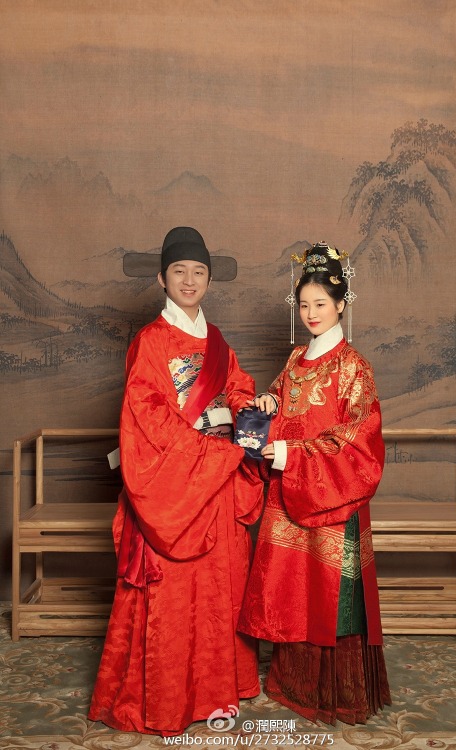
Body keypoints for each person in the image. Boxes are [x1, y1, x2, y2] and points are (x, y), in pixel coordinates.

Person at [89, 227, 263, 736]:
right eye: (180, 271)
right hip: (174, 487)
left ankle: (213, 693)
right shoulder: (149, 342)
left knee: (218, 590)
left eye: (199, 272)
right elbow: (148, 417)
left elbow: (239, 389)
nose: (189, 281)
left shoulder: (217, 342)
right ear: (163, 279)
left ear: (209, 280)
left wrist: (249, 414)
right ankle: (166, 701)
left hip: (214, 483)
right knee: (172, 599)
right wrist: (214, 438)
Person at [238, 242, 391, 726]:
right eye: (303, 305)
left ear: (341, 303)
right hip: (291, 495)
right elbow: (284, 406)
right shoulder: (295, 359)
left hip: (332, 501)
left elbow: (357, 442)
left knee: (331, 596)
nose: (311, 314)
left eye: (320, 304)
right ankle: (292, 681)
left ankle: (335, 691)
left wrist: (289, 453)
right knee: (290, 591)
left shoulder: (355, 368)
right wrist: (266, 405)